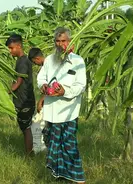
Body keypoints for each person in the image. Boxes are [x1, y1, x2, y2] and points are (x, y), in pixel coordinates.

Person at [37, 27, 86, 183]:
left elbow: (80, 86)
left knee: (69, 147)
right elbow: (41, 78)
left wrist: (65, 91)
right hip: (51, 111)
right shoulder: (49, 60)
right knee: (52, 144)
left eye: (63, 41)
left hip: (68, 112)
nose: (60, 44)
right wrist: (43, 86)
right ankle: (61, 175)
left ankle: (78, 178)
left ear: (69, 41)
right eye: (57, 41)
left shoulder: (78, 61)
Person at [6, 34, 36, 156]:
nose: (10, 51)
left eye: (11, 48)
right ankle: (29, 152)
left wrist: (6, 92)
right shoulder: (21, 60)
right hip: (23, 99)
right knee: (25, 126)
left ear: (19, 46)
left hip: (25, 100)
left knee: (26, 127)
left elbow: (18, 82)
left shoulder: (23, 62)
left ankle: (29, 154)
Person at [28, 48, 45, 113]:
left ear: (37, 58)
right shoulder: (44, 67)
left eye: (34, 62)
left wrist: (41, 100)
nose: (35, 64)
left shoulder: (48, 67)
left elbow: (50, 85)